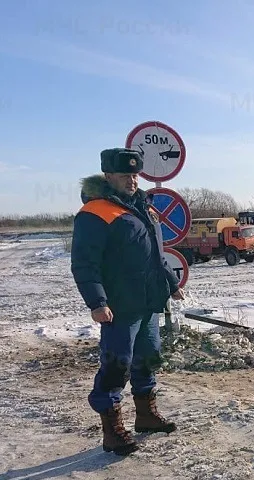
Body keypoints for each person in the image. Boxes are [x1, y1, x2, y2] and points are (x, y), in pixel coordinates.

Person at [70, 147, 185, 455]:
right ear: (108, 176)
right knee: (116, 364)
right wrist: (96, 302)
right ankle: (112, 430)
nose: (133, 181)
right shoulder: (95, 213)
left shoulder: (142, 207)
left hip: (148, 302)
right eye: (125, 176)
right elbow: (84, 263)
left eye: (135, 175)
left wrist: (171, 284)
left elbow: (153, 255)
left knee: (148, 358)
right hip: (119, 307)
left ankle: (146, 416)